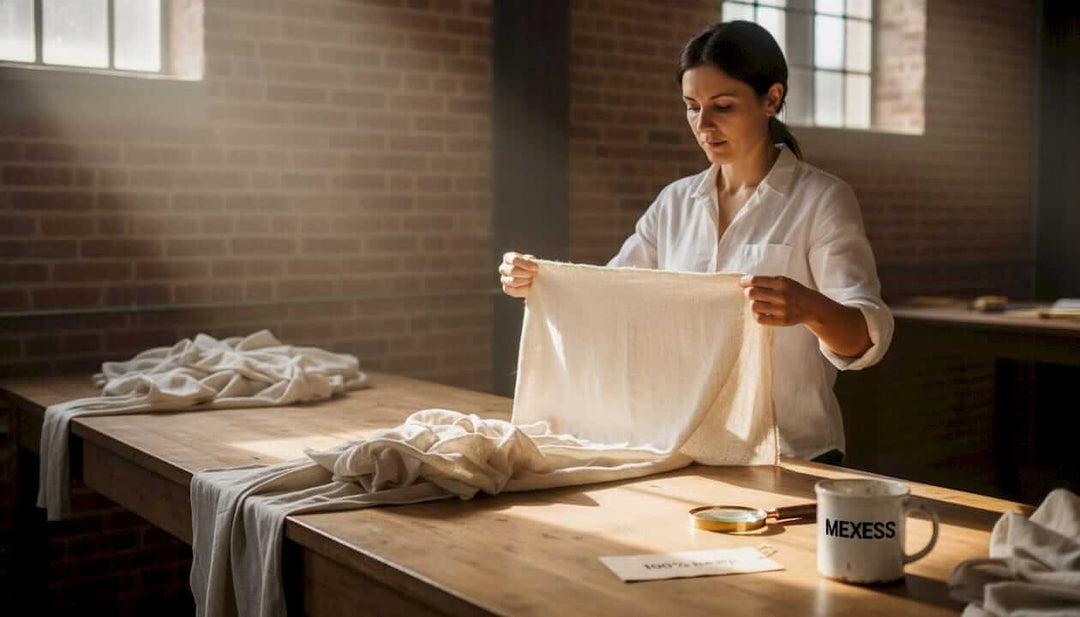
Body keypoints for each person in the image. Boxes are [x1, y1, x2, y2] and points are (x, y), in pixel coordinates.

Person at [497, 21, 893, 464]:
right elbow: (612, 296)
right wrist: (542, 281)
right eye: (691, 106)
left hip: (794, 454)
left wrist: (811, 308)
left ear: (772, 99)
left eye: (722, 106)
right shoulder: (675, 203)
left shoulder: (820, 199)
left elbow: (865, 338)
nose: (703, 125)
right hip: (684, 450)